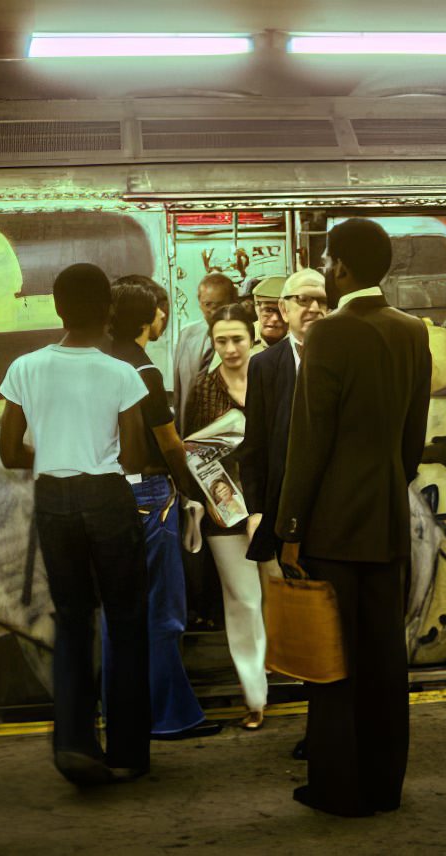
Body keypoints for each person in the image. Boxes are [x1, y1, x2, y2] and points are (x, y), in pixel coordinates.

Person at [277, 218, 432, 817]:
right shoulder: (411, 331)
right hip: (388, 519)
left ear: (339, 266)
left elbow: (309, 441)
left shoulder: (330, 335)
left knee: (333, 663)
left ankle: (339, 788)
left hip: (334, 527)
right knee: (386, 663)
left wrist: (291, 526)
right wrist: (390, 484)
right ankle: (384, 784)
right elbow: (413, 439)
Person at [0, 263, 151, 785]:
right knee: (126, 622)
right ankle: (128, 752)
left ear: (58, 308)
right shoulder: (121, 374)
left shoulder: (25, 368)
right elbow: (133, 457)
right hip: (107, 496)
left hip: (52, 498)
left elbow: (7, 452)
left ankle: (74, 744)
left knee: (72, 620)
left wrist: (53, 452)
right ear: (108, 309)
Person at [103, 276, 221, 741]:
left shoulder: (101, 362)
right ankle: (170, 715)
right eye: (160, 310)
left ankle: (123, 715)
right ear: (148, 315)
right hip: (150, 498)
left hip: (109, 494)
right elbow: (169, 444)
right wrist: (196, 484)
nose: (164, 318)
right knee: (163, 612)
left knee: (118, 614)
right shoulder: (143, 371)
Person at [183, 303, 269, 730]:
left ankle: (300, 673)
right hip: (223, 511)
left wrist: (261, 508)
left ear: (252, 336)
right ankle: (255, 695)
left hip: (273, 507)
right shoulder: (203, 387)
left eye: (238, 339)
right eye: (222, 341)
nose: (231, 349)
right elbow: (193, 453)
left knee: (284, 599)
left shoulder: (275, 377)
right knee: (243, 602)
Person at [242, 268, 329, 569]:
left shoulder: (346, 358)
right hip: (282, 508)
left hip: (334, 509)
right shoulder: (264, 365)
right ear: (284, 308)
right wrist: (256, 510)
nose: (315, 309)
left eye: (323, 301)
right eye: (304, 299)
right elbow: (255, 442)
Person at [173, 273, 239, 432]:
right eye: (208, 304)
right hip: (192, 430)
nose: (213, 311)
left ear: (233, 302)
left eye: (219, 305)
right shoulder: (187, 335)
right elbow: (179, 390)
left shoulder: (246, 336)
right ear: (200, 303)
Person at [251, 274, 289, 349]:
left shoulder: (301, 342)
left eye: (282, 311)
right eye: (268, 310)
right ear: (257, 309)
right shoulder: (241, 337)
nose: (275, 318)